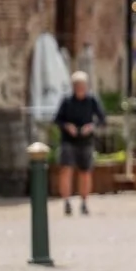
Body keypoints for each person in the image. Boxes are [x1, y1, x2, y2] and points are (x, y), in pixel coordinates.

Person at [54, 70, 105, 216]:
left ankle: (84, 202)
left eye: (82, 86)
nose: (80, 89)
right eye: (77, 86)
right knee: (66, 170)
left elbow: (102, 119)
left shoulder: (91, 100)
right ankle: (67, 201)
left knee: (85, 172)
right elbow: (57, 119)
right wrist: (67, 126)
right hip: (68, 140)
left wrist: (91, 126)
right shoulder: (67, 100)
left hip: (86, 140)